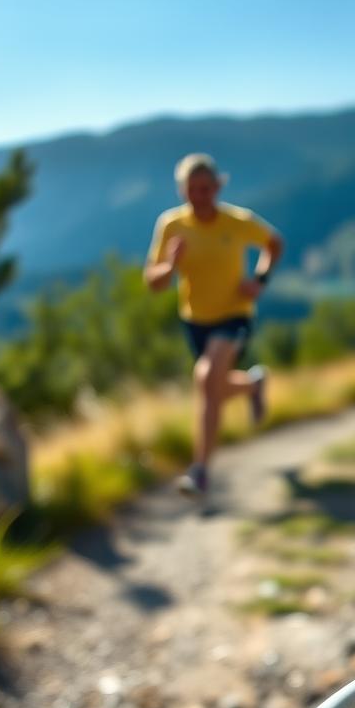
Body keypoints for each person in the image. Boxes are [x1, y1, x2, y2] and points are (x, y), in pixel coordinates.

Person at [144, 153, 284, 498]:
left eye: (206, 188)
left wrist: (259, 280)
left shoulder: (236, 221)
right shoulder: (171, 226)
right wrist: (171, 266)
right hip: (195, 320)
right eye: (192, 189)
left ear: (218, 187)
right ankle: (253, 386)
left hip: (235, 314)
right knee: (214, 387)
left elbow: (274, 243)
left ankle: (200, 471)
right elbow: (153, 282)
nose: (200, 196)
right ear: (182, 191)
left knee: (207, 379)